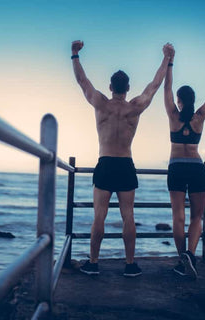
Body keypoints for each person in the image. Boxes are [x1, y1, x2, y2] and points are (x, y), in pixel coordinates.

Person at [71, 40, 174, 277]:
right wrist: (166, 58)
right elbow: (155, 85)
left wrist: (75, 54)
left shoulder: (100, 103)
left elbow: (82, 81)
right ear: (128, 87)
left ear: (110, 86)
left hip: (106, 163)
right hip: (125, 164)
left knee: (99, 216)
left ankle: (94, 263)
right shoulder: (135, 107)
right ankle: (129, 265)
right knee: (128, 216)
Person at [164, 51, 205, 279]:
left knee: (178, 218)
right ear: (193, 100)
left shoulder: (173, 116)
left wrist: (170, 61)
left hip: (177, 168)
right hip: (197, 168)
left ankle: (183, 260)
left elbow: (166, 88)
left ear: (180, 101)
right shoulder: (199, 117)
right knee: (196, 218)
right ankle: (191, 255)